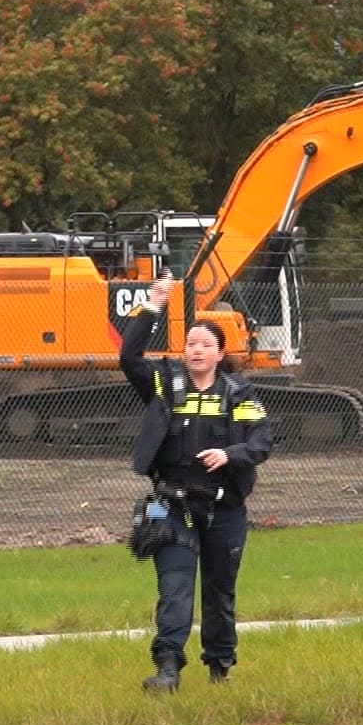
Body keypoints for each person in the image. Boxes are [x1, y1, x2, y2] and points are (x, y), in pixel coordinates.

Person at [120, 273, 273, 693]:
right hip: (170, 506)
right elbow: (129, 357)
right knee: (175, 588)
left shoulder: (239, 395)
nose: (196, 350)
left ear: (221, 353)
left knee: (219, 592)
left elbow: (261, 442)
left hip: (225, 509)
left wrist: (230, 454)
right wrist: (154, 303)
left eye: (205, 344)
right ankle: (168, 669)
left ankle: (220, 667)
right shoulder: (164, 383)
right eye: (190, 343)